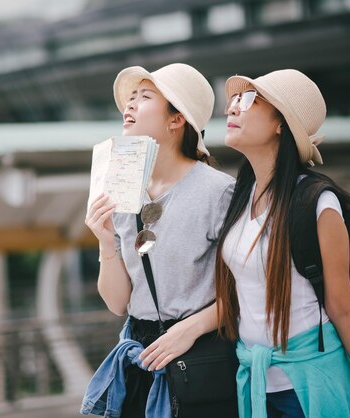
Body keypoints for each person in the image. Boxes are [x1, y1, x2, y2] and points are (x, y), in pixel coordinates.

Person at [214, 69, 350, 418]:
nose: (232, 108)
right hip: (256, 381)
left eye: (248, 100)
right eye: (233, 99)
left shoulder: (317, 203)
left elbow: (343, 307)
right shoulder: (241, 196)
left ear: (282, 124)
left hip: (310, 384)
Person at [83, 63, 237, 417]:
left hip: (198, 360)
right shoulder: (122, 191)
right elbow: (118, 303)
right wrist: (106, 242)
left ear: (176, 120)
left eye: (144, 96)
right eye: (130, 98)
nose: (130, 105)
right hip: (140, 361)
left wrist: (189, 330)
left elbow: (250, 289)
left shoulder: (218, 191)